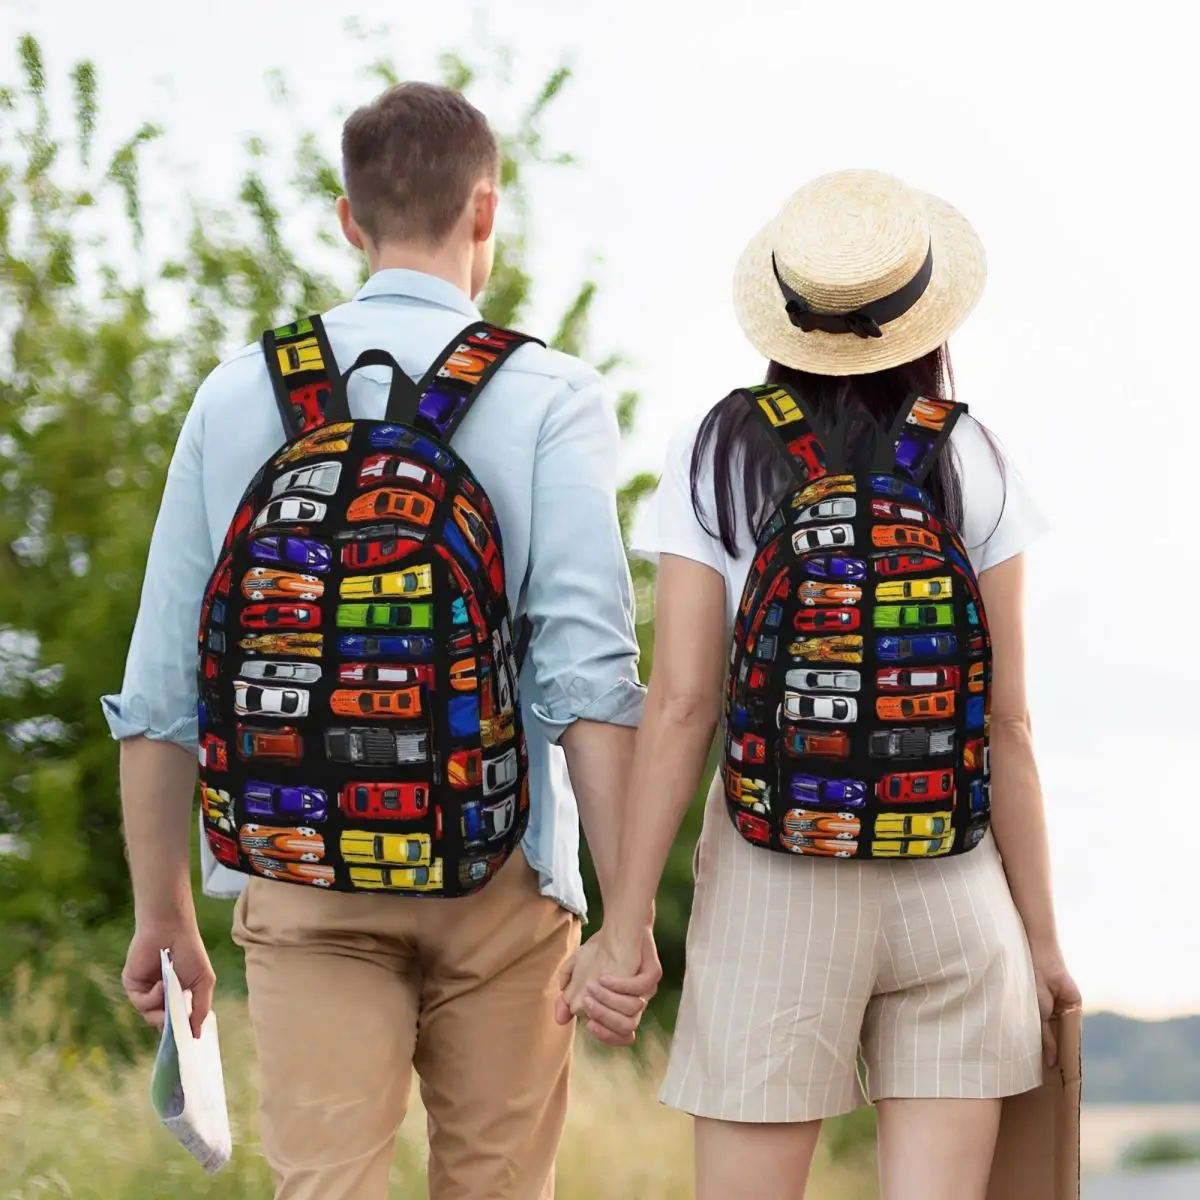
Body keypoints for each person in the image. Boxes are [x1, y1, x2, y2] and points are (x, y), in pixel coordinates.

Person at [104, 81, 660, 1200]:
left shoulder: (237, 395)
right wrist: (627, 915)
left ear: (349, 219)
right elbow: (588, 679)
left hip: (299, 868)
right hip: (500, 869)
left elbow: (164, 685)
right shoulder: (549, 393)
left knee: (325, 1186)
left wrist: (163, 913)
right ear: (486, 212)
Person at [559, 169, 1081, 1200]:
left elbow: (682, 705)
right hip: (954, 881)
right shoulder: (973, 455)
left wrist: (623, 928)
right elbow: (1009, 724)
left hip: (773, 879)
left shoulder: (718, 450)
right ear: (925, 316)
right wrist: (1043, 944)